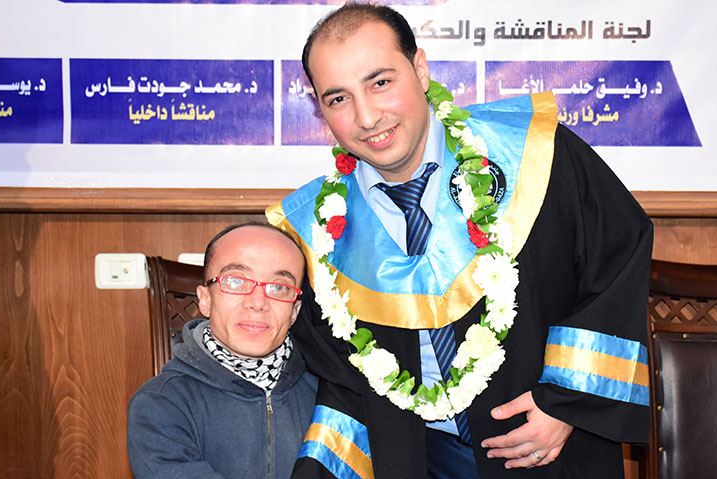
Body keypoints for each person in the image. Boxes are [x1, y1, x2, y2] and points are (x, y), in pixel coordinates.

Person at [267, 4, 653, 478]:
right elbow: (343, 383)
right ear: (319, 108)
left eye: (380, 82)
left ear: (420, 69)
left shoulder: (533, 156)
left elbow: (617, 258)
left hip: (547, 449)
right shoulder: (318, 234)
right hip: (412, 461)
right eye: (338, 98)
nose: (367, 117)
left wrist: (568, 401)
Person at [127, 222, 317, 479]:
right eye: (236, 281)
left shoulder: (327, 396)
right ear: (205, 299)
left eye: (279, 287)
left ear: (294, 311)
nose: (257, 302)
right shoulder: (160, 403)